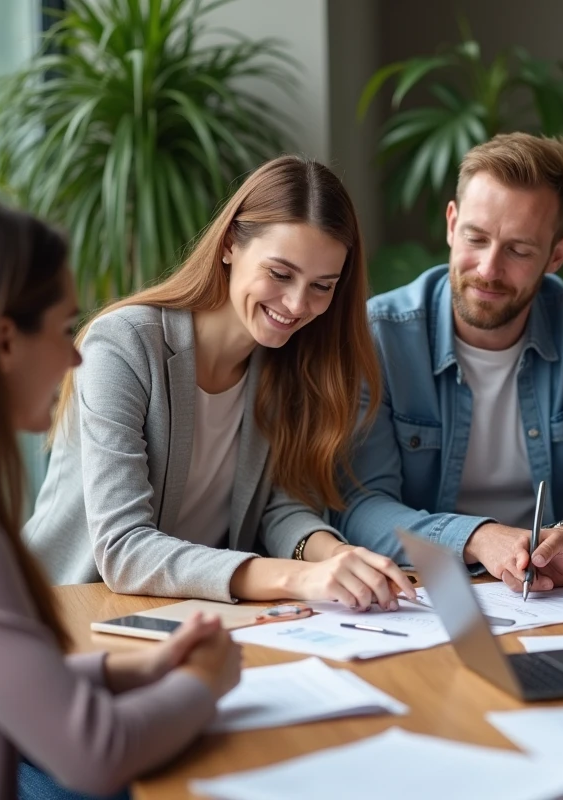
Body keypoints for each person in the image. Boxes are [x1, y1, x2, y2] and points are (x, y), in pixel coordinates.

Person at [0, 197, 242, 799]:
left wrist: (139, 668)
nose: (76, 356)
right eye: (61, 329)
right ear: (4, 341)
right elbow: (96, 754)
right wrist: (207, 682)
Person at [26, 155, 416, 612]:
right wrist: (300, 576)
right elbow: (123, 548)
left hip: (193, 615)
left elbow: (280, 508)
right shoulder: (124, 346)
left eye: (322, 286)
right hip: (68, 613)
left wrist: (337, 556)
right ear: (230, 244)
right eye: (280, 273)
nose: (296, 304)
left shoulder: (291, 364)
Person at [338, 133, 563, 592]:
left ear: (557, 254)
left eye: (519, 250)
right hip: (428, 588)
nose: (489, 269)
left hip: (552, 590)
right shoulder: (381, 334)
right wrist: (475, 538)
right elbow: (360, 502)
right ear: (452, 225)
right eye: (476, 238)